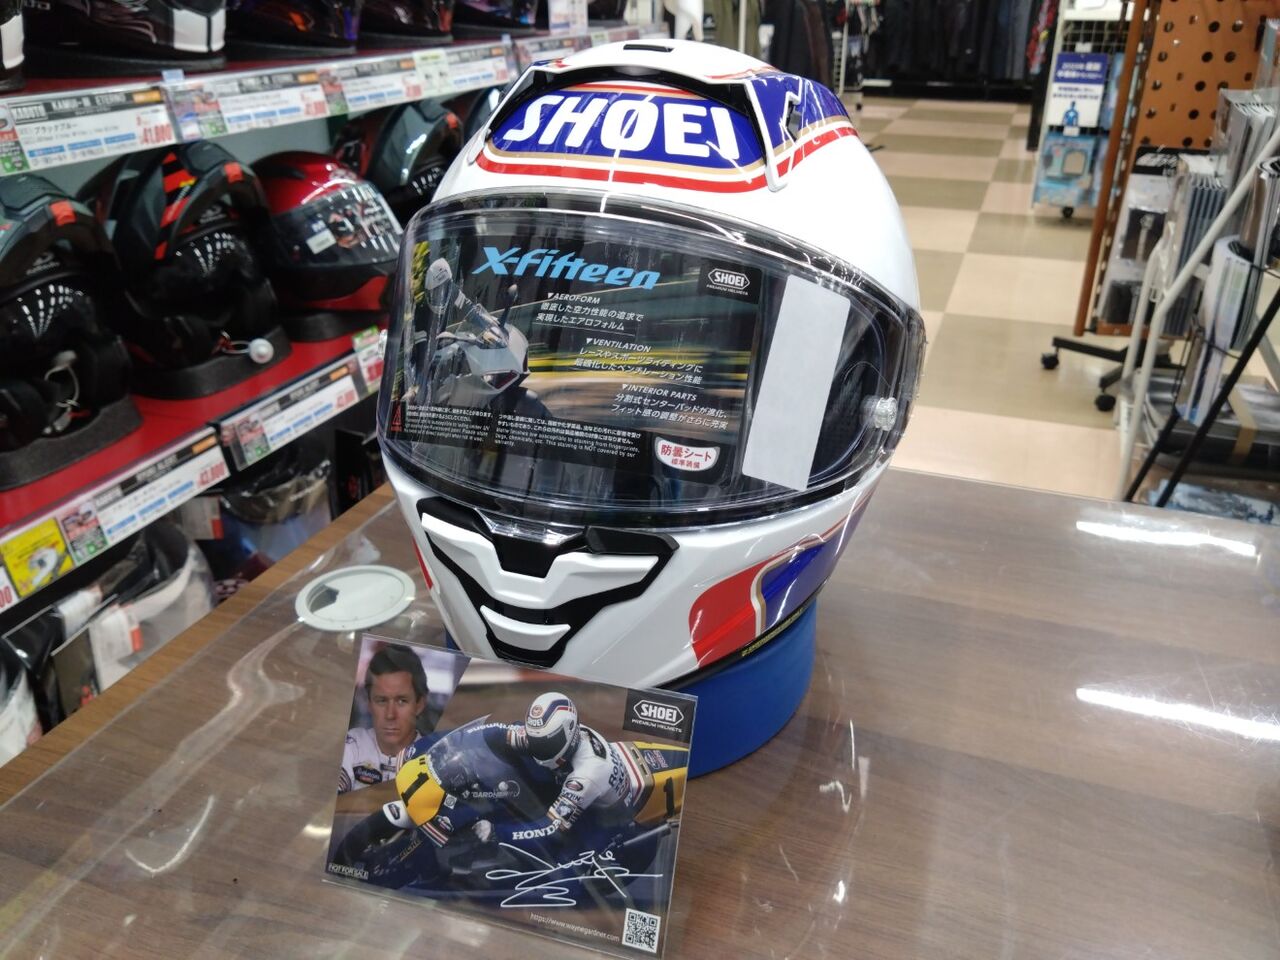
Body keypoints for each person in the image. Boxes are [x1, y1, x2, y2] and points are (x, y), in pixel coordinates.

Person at [471, 691, 650, 845]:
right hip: (568, 778)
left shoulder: (587, 774)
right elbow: (498, 733)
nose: (539, 749)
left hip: (601, 817)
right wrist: (464, 739)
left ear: (569, 734)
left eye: (546, 744)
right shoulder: (544, 734)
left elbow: (552, 830)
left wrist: (498, 833)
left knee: (564, 864)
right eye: (535, 741)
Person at [339, 644, 429, 793]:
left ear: (419, 704)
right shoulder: (353, 744)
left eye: (402, 701)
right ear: (369, 703)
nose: (390, 715)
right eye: (381, 701)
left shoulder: (432, 757)